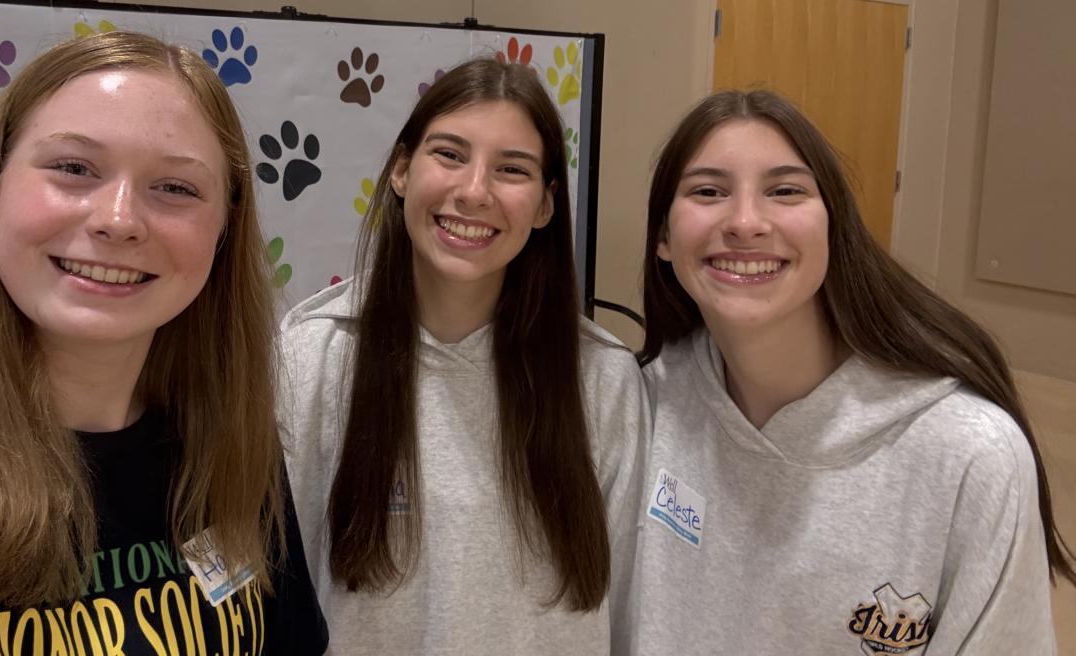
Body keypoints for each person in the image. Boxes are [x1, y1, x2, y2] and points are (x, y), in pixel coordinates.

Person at [0, 31, 328, 655]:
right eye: (74, 169)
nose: (119, 220)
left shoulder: (231, 446)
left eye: (176, 188)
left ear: (224, 228)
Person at [636, 88, 1071, 654]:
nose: (745, 222)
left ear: (833, 229)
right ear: (664, 239)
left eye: (785, 191)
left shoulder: (971, 454)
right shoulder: (645, 403)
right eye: (708, 191)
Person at [279, 57, 647, 656]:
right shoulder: (309, 358)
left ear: (546, 205)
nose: (474, 192)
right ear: (402, 170)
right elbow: (271, 601)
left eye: (512, 169)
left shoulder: (603, 379)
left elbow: (633, 607)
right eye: (450, 154)